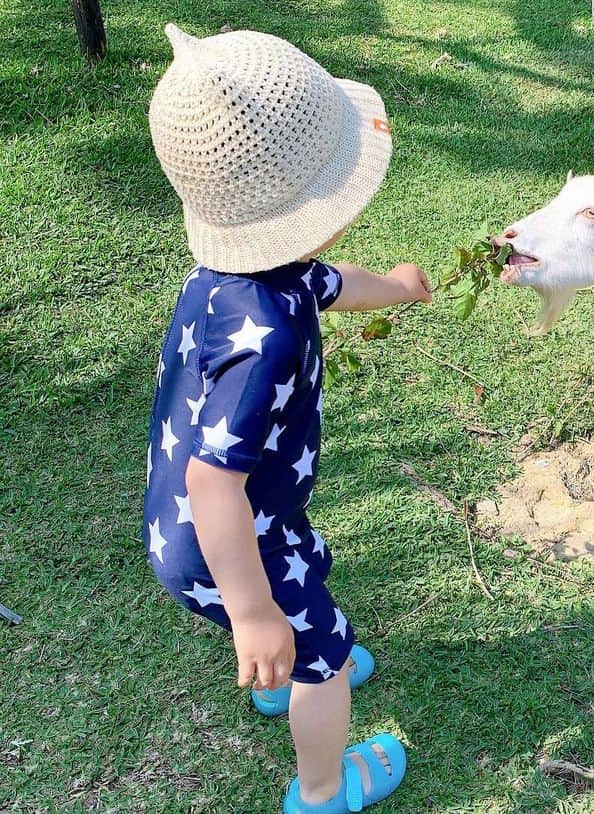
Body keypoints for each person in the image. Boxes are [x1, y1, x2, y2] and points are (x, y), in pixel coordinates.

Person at [142, 23, 430, 813]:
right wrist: (254, 610)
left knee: (301, 622)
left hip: (187, 527)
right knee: (326, 660)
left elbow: (330, 282)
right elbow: (212, 483)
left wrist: (400, 289)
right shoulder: (266, 338)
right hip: (232, 538)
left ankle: (281, 672)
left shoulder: (239, 276)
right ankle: (324, 788)